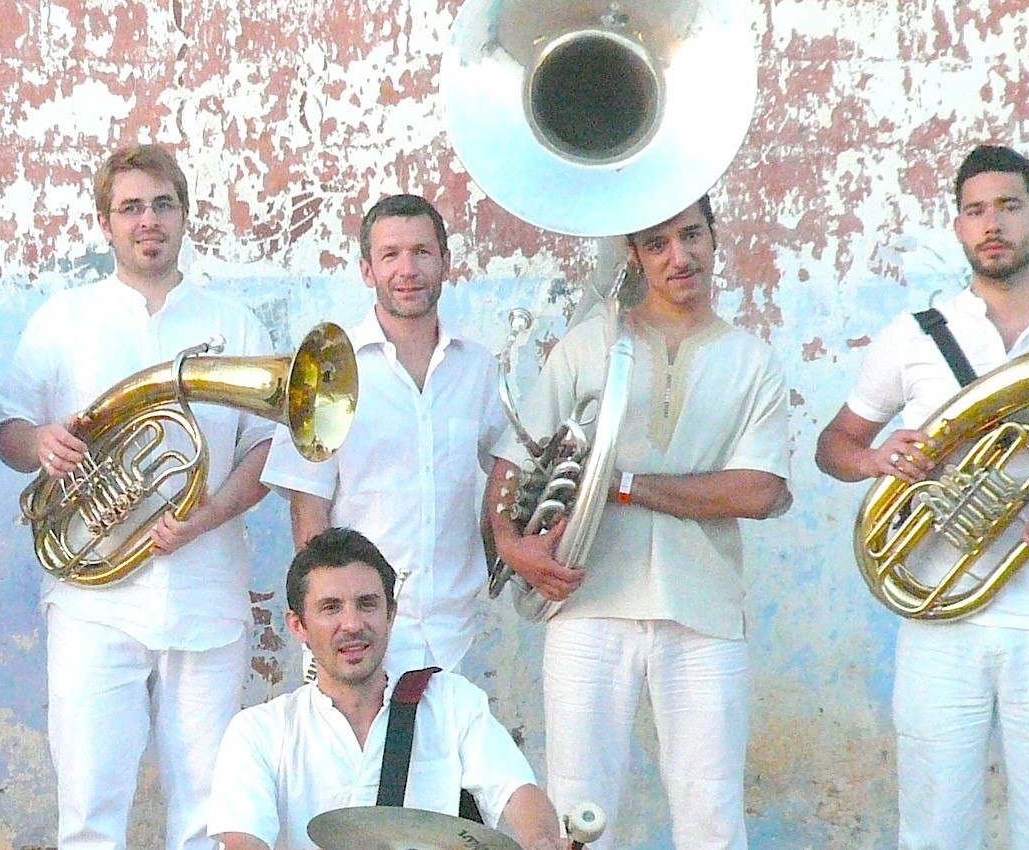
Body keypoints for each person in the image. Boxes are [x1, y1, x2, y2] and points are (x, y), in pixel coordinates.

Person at [813, 145, 1029, 849]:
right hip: (939, 612)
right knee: (934, 823)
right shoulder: (912, 337)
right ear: (959, 227)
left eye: (1008, 206)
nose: (992, 224)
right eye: (975, 211)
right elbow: (834, 445)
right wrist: (875, 459)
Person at [0, 143, 275, 850]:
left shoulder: (235, 322)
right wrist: (41, 442)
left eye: (163, 204)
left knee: (206, 815)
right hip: (93, 603)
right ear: (106, 222)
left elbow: (268, 449)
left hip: (207, 592)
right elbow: (7, 430)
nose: (149, 220)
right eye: (131, 208)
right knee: (89, 812)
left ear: (185, 215)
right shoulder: (63, 319)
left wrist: (207, 515)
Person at [488, 196, 791, 849]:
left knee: (713, 818)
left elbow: (760, 489)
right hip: (587, 604)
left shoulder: (753, 360)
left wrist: (620, 486)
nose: (679, 256)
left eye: (691, 236)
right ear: (635, 256)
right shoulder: (589, 343)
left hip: (704, 611)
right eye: (657, 244)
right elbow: (516, 460)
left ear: (714, 237)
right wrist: (512, 546)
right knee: (576, 815)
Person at [262, 193, 508, 677]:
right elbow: (308, 514)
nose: (407, 269)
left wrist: (489, 550)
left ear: (446, 262)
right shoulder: (324, 369)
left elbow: (508, 468)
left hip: (451, 632)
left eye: (422, 252)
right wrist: (333, 621)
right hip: (356, 636)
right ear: (366, 270)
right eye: (390, 255)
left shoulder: (478, 367)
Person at [207, 528, 568, 850]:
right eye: (331, 608)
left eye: (367, 604)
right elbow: (243, 840)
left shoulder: (451, 701)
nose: (352, 624)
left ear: (390, 613)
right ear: (298, 625)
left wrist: (541, 841)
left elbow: (517, 792)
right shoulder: (259, 731)